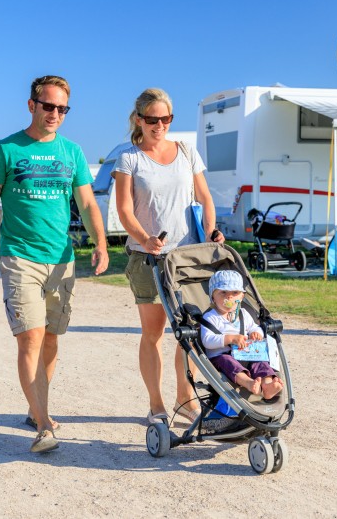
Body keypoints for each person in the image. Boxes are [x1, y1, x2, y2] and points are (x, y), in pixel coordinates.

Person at [0, 75, 108, 453]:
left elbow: (87, 204)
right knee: (31, 338)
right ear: (31, 105)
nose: (55, 114)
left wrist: (101, 244)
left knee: (52, 339)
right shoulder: (7, 149)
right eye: (48, 106)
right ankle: (43, 426)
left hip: (62, 260)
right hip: (19, 257)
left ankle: (37, 406)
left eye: (62, 109)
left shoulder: (72, 152)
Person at [113, 88, 225, 426]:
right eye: (152, 119)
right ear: (139, 120)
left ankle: (185, 397)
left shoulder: (187, 152)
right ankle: (156, 404)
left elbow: (205, 198)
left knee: (189, 330)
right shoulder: (129, 159)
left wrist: (211, 231)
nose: (159, 125)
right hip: (148, 258)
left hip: (186, 257)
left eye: (166, 119)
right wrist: (144, 239)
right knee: (154, 333)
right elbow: (124, 210)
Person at [200, 270, 283, 400]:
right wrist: (230, 339)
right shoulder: (211, 317)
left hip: (246, 354)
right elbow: (207, 340)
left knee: (261, 361)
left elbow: (254, 327)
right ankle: (249, 383)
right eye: (223, 293)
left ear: (242, 297)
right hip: (221, 356)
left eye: (235, 293)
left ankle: (268, 385)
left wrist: (256, 333)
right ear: (213, 296)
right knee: (229, 363)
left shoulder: (243, 314)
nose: (229, 297)